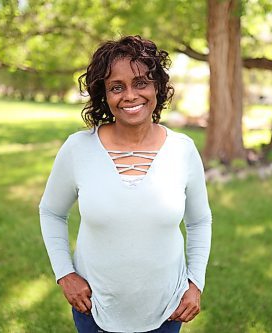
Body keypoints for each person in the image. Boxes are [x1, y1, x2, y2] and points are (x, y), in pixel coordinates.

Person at [39, 35, 212, 333]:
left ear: (157, 86)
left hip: (168, 309)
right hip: (94, 307)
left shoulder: (182, 149)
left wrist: (196, 283)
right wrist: (65, 274)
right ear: (103, 95)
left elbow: (199, 221)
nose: (130, 95)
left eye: (141, 82)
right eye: (116, 87)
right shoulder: (78, 149)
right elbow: (51, 212)